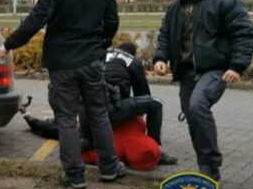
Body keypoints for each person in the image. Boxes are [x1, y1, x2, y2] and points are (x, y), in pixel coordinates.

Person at [0, 0, 125, 189]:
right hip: (91, 61)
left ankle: (74, 174)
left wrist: (9, 44)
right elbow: (112, 20)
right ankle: (109, 167)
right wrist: (102, 44)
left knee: (66, 118)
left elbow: (36, 20)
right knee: (99, 114)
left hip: (63, 64)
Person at [153, 0, 253, 181]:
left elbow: (245, 34)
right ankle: (205, 164)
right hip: (186, 72)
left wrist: (236, 66)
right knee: (192, 114)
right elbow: (164, 34)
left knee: (198, 106)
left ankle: (210, 167)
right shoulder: (176, 7)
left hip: (214, 68)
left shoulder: (224, 2)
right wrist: (160, 58)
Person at [21, 42, 178, 166]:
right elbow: (144, 95)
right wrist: (130, 115)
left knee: (73, 128)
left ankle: (78, 145)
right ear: (132, 53)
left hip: (85, 110)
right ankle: (156, 148)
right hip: (109, 110)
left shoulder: (100, 54)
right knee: (156, 104)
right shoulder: (133, 62)